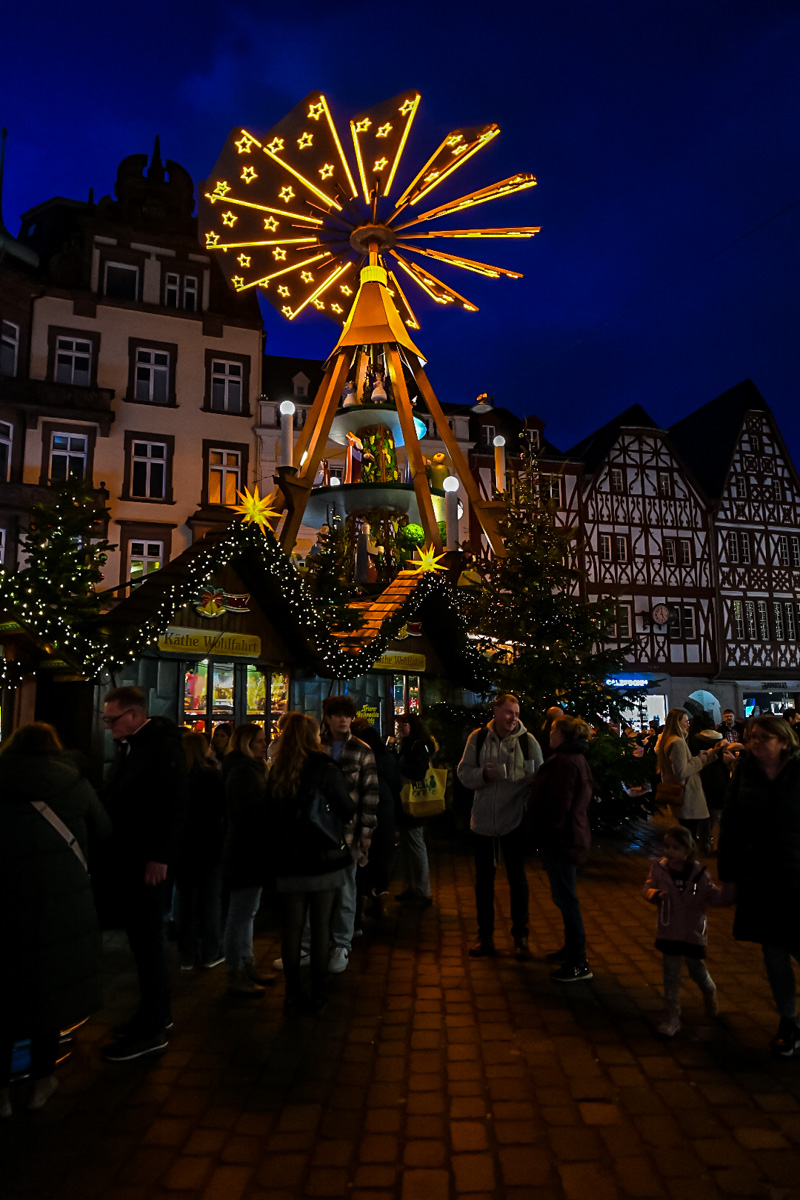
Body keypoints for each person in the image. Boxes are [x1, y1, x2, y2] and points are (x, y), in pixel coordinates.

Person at [0, 723, 110, 1115]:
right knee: (48, 991)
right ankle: (41, 1080)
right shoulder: (74, 784)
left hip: (6, 902)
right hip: (60, 905)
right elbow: (103, 834)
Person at [100, 686, 186, 1063]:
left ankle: (152, 1026)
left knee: (148, 941)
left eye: (112, 719)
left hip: (146, 862)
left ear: (134, 716)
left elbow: (173, 804)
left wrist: (159, 856)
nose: (108, 726)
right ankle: (154, 1014)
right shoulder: (137, 746)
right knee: (142, 941)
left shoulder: (160, 749)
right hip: (133, 857)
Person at [718, 715, 800, 1056]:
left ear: (783, 741)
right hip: (761, 877)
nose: (754, 742)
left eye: (763, 738)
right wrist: (730, 877)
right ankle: (789, 1020)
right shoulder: (745, 773)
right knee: (774, 952)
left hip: (797, 876)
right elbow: (731, 825)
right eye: (751, 736)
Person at [268, 714, 355, 1013]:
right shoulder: (326, 768)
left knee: (291, 929)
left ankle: (292, 993)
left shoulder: (278, 770)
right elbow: (346, 808)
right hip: (324, 858)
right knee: (321, 928)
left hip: (289, 860)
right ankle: (317, 993)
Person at [457, 694, 543, 959]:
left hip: (513, 821)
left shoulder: (528, 742)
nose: (512, 718)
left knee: (517, 881)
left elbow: (542, 778)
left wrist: (532, 783)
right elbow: (462, 772)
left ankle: (521, 937)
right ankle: (486, 938)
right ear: (495, 711)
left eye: (516, 713)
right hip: (482, 821)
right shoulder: (478, 738)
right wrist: (483, 775)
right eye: (507, 712)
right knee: (484, 883)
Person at [644, 826, 730, 1037]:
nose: (669, 851)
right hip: (669, 930)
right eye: (667, 846)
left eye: (675, 847)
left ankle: (709, 991)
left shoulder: (699, 874)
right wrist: (655, 894)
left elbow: (714, 897)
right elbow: (647, 887)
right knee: (670, 974)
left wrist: (730, 894)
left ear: (688, 850)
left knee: (696, 970)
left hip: (692, 932)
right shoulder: (659, 869)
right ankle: (673, 1016)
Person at [527, 715, 594, 981]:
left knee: (567, 899)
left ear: (563, 735)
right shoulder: (572, 759)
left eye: (553, 730)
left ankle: (578, 961)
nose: (549, 734)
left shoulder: (565, 763)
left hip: (563, 840)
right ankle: (571, 949)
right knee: (564, 896)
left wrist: (547, 833)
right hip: (567, 837)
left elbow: (559, 805)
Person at [320, 696, 379, 974]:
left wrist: (365, 832)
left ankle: (341, 944)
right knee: (320, 888)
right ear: (328, 717)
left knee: (346, 888)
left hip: (348, 829)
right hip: (318, 828)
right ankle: (316, 943)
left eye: (347, 715)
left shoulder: (361, 749)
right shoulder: (316, 746)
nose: (342, 720)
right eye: (337, 715)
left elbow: (370, 793)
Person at [221, 723, 275, 995]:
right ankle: (236, 970)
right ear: (246, 742)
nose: (264, 745)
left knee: (247, 911)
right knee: (240, 913)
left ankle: (246, 963)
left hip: (248, 850)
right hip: (246, 851)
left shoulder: (248, 769)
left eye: (264, 741)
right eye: (259, 741)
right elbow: (248, 814)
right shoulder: (244, 772)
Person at [173, 732, 226, 971]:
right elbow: (222, 812)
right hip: (209, 844)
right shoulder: (212, 776)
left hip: (182, 846)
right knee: (210, 900)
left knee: (184, 900)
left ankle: (186, 953)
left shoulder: (176, 776)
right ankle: (210, 951)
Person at [351, 718, 402, 921]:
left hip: (362, 808)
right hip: (386, 809)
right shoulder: (384, 756)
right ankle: (379, 896)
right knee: (382, 855)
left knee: (362, 858)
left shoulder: (356, 753)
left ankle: (360, 902)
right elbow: (397, 783)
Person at [656, 707, 722, 841]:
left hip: (679, 792)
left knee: (687, 831)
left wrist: (709, 754)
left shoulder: (668, 740)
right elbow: (682, 771)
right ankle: (689, 859)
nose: (688, 724)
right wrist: (699, 759)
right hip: (686, 793)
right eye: (685, 721)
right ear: (677, 722)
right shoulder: (677, 742)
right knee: (689, 834)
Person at [394, 713, 436, 906]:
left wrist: (401, 771)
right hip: (407, 802)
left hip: (414, 801)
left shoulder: (416, 745)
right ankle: (412, 887)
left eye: (405, 723)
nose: (401, 727)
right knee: (409, 844)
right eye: (400, 723)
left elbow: (419, 772)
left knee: (415, 843)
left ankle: (422, 890)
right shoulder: (410, 743)